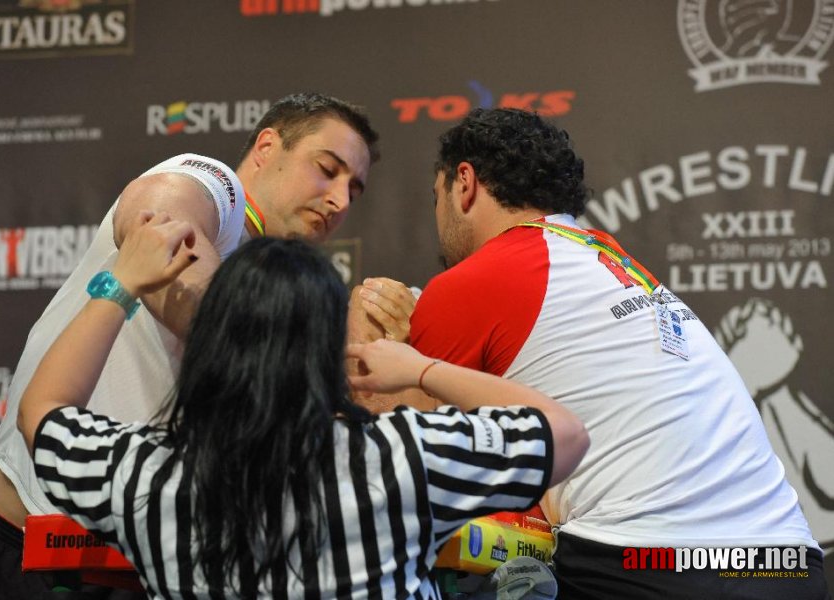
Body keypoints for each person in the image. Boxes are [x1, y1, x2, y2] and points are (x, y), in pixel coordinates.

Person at [354, 108, 830, 598]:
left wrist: (369, 310)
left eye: (437, 199)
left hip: (659, 566)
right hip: (791, 564)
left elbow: (398, 458)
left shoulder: (478, 279)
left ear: (465, 185)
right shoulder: (604, 256)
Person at [14, 217, 590, 598]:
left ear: (209, 341)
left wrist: (121, 282)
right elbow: (564, 433)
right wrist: (419, 369)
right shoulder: (398, 457)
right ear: (325, 354)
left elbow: (42, 411)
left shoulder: (144, 473)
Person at [0, 92, 380, 600]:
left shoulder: (287, 291)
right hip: (29, 557)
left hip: (151, 572)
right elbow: (156, 221)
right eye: (326, 169)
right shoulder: (214, 188)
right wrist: (274, 348)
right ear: (268, 146)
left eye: (354, 189)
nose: (339, 200)